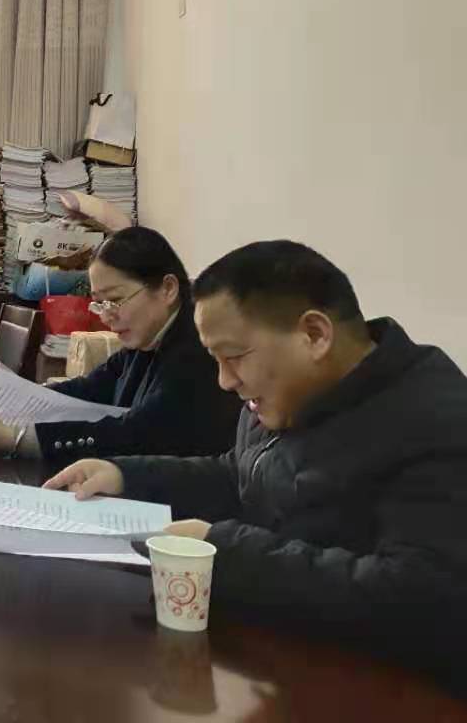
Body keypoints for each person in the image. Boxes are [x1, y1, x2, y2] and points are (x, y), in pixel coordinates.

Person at [46, 240, 467, 689]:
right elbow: (240, 474)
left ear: (315, 335)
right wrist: (126, 474)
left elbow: (420, 599)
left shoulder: (434, 420)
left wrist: (223, 552)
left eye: (234, 357)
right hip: (282, 662)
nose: (225, 381)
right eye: (216, 361)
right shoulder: (292, 393)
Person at [0, 227, 241, 460]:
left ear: (167, 289)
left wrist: (16, 439)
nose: (107, 316)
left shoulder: (198, 348)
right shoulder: (149, 336)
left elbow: (138, 434)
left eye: (115, 300)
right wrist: (7, 403)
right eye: (100, 303)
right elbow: (89, 389)